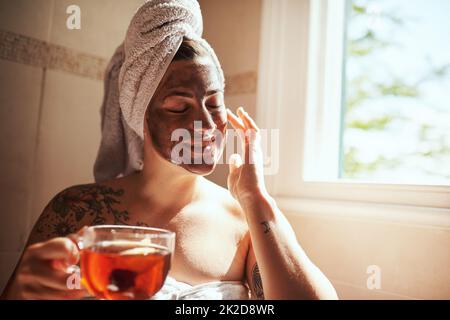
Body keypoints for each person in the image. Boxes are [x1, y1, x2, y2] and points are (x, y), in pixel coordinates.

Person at [1, 0, 337, 300]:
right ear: (140, 116)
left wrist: (256, 198)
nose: (205, 123)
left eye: (214, 103)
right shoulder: (76, 211)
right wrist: (20, 291)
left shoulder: (244, 223)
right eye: (179, 107)